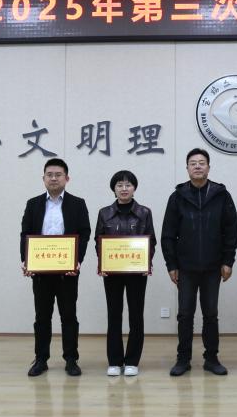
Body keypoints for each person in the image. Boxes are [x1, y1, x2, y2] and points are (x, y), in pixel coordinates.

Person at [161, 147, 237, 376]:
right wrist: (171, 265)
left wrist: (228, 261)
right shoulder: (177, 197)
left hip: (213, 266)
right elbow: (168, 234)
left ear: (208, 167)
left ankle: (211, 358)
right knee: (185, 314)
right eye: (193, 163)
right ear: (187, 168)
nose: (197, 166)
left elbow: (231, 230)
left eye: (201, 163)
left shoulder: (221, 195)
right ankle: (183, 359)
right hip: (185, 267)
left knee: (211, 314)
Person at [20, 157, 91, 377]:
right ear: (43, 178)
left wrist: (77, 261)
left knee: (69, 316)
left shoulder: (77, 203)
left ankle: (71, 359)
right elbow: (25, 234)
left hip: (67, 272)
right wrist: (26, 260)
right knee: (42, 317)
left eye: (58, 175)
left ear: (67, 178)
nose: (53, 178)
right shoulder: (33, 204)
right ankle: (41, 359)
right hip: (40, 272)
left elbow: (84, 233)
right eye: (49, 175)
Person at [95, 170, 156, 377]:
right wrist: (102, 263)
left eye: (128, 185)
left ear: (134, 188)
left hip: (137, 273)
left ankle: (132, 361)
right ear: (113, 189)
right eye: (119, 185)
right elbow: (99, 241)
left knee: (136, 315)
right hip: (112, 272)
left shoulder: (144, 212)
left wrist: (146, 262)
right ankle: (114, 361)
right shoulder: (104, 213)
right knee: (114, 315)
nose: (124, 189)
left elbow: (151, 241)